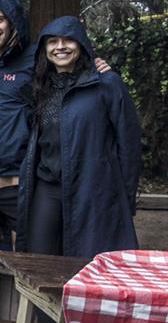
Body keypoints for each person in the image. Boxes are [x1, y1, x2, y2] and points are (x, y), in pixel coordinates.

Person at [0, 0, 111, 323]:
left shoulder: (35, 57)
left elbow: (68, 75)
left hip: (21, 176)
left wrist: (97, 68)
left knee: (27, 255)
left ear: (12, 22)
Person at [16, 16, 141, 259]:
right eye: (52, 42)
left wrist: (124, 196)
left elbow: (129, 143)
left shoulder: (106, 83)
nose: (60, 46)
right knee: (40, 259)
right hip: (48, 185)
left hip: (93, 187)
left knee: (90, 259)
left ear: (81, 44)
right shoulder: (40, 87)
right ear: (45, 49)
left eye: (68, 40)